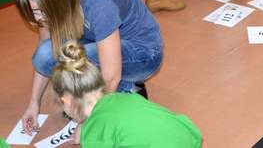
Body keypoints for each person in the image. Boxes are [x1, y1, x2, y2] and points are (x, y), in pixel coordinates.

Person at [14, 0, 163, 136]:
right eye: (34, 12)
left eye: (41, 11)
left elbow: (111, 76)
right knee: (45, 55)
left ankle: (127, 87)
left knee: (76, 63)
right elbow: (45, 54)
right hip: (103, 42)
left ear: (56, 2)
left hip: (144, 52)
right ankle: (114, 90)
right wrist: (34, 103)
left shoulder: (99, 3)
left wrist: (88, 120)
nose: (38, 18)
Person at [51, 40, 202, 147]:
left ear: (66, 100)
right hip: (190, 138)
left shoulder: (94, 132)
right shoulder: (127, 96)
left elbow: (99, 130)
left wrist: (87, 134)